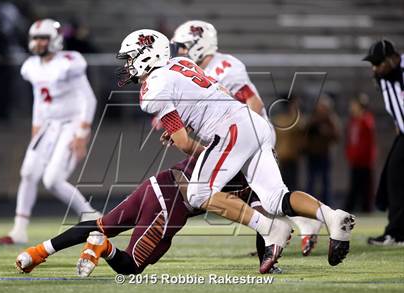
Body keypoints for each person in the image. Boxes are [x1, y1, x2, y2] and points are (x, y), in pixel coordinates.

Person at [117, 29, 356, 269]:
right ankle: (332, 217)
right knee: (275, 199)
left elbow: (184, 143)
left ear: (146, 56)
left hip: (231, 130)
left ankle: (269, 229)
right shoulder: (181, 63)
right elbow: (205, 99)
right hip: (252, 122)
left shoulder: (153, 88)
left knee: (198, 194)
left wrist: (212, 157)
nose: (127, 65)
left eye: (130, 57)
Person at [171, 21, 324, 257]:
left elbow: (254, 102)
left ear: (199, 44)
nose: (180, 52)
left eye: (183, 46)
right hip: (234, 136)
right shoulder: (195, 70)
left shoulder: (225, 66)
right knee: (256, 192)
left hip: (248, 133)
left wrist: (244, 137)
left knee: (255, 192)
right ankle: (298, 226)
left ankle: (283, 233)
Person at [16, 158, 282, 275]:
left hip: (156, 183)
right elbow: (263, 223)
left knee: (102, 223)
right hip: (170, 203)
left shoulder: (226, 147)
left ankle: (36, 253)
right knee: (131, 265)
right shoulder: (251, 177)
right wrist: (267, 259)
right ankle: (103, 247)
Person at [0, 19, 99, 245]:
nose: (38, 43)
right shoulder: (31, 66)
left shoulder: (69, 62)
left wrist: (82, 133)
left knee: (52, 180)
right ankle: (19, 230)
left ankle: (92, 217)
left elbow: (88, 98)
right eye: (35, 38)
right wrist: (37, 125)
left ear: (54, 39)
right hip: (48, 125)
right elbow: (39, 100)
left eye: (43, 38)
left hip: (71, 124)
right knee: (28, 173)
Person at [363, 40, 404, 246]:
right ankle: (396, 233)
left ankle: (396, 232)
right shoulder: (384, 78)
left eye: (378, 63)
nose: (374, 68)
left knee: (395, 179)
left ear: (391, 59)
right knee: (393, 180)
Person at [344, 94, 376, 213]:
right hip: (355, 160)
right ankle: (351, 208)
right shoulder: (353, 121)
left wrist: (362, 155)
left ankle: (366, 209)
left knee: (365, 187)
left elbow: (368, 143)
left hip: (364, 160)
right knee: (355, 186)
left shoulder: (366, 121)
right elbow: (350, 141)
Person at [305, 95, 340, 204]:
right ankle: (308, 204)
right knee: (311, 181)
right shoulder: (313, 118)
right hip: (312, 153)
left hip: (325, 153)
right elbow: (305, 132)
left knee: (326, 181)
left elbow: (336, 136)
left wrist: (325, 132)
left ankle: (327, 204)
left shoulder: (330, 119)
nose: (321, 110)